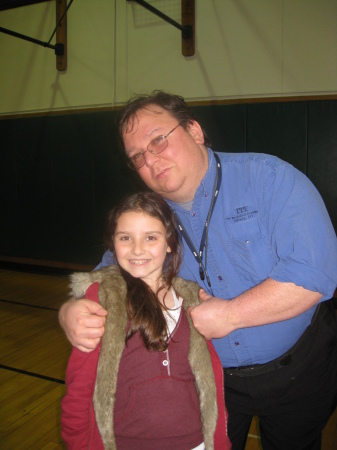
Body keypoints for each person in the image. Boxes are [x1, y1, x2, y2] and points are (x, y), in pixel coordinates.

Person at [59, 91, 337, 450]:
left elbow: (319, 272)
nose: (150, 159)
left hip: (300, 369)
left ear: (194, 130)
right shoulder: (149, 218)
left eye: (158, 140)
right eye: (138, 157)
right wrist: (71, 309)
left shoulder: (269, 179)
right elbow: (106, 276)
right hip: (212, 382)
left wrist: (231, 314)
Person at [61, 191, 231, 450]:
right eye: (125, 238)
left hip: (196, 443)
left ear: (170, 243)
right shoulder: (101, 301)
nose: (137, 249)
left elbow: (211, 383)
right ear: (113, 243)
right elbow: (78, 392)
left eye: (150, 237)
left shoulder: (193, 300)